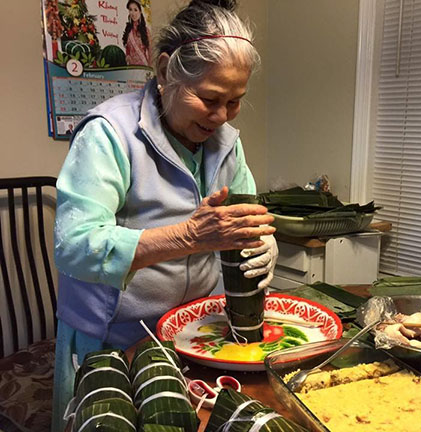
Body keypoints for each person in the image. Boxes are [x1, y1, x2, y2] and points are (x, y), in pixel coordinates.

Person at [50, 1, 278, 430]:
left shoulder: (227, 142)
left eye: (235, 102)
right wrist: (188, 237)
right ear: (164, 70)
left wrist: (263, 241)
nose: (221, 116)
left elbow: (246, 218)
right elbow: (74, 246)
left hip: (195, 334)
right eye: (209, 98)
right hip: (114, 338)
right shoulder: (109, 133)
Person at [122, 0, 151, 66]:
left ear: (140, 11)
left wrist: (150, 67)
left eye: (135, 10)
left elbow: (150, 51)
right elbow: (127, 49)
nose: (133, 13)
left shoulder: (146, 31)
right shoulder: (128, 30)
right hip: (131, 67)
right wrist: (127, 56)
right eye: (130, 10)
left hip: (143, 66)